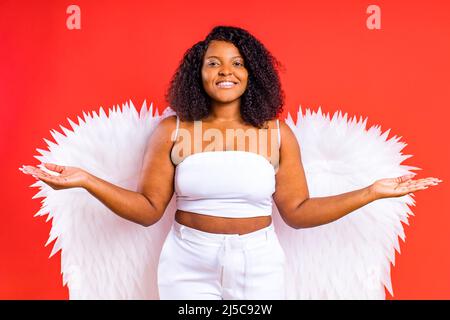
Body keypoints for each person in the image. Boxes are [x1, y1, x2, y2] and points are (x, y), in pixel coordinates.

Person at [20, 25, 442, 300]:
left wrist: (373, 192)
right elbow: (148, 210)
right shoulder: (173, 130)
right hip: (187, 261)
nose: (227, 71)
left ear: (252, 74)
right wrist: (85, 180)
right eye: (214, 62)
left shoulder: (277, 134)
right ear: (198, 73)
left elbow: (297, 212)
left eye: (238, 63)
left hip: (259, 262)